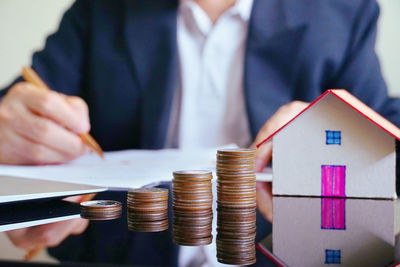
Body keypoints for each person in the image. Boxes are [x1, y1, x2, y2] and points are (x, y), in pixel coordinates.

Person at [2, 0, 400, 261]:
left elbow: (384, 125)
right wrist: (8, 125)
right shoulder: (100, 10)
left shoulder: (342, 11)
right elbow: (20, 102)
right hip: (120, 248)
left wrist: (348, 128)